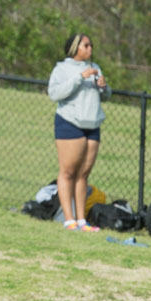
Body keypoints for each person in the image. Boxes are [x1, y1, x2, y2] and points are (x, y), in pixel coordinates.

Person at [47, 32, 111, 231]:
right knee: (68, 172)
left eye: (91, 45)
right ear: (75, 48)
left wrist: (103, 87)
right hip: (70, 123)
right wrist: (79, 78)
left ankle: (82, 220)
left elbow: (106, 96)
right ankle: (69, 219)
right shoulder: (62, 69)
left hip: (92, 125)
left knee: (83, 174)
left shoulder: (96, 68)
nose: (90, 49)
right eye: (86, 45)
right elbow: (54, 93)